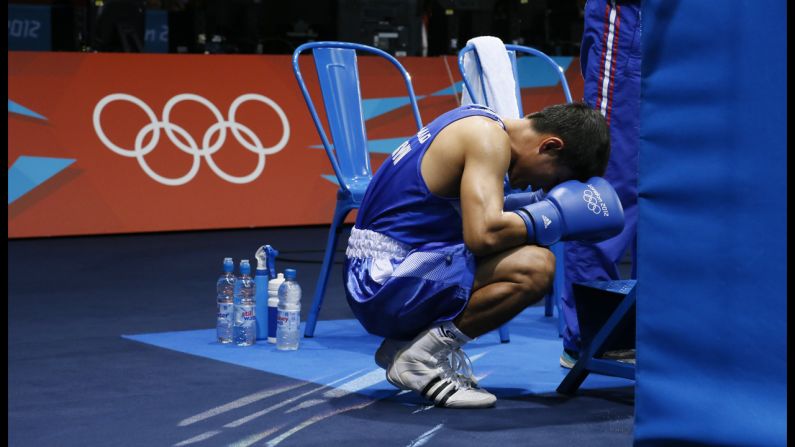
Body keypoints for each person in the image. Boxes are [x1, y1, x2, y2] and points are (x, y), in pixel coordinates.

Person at [343, 102, 624, 408]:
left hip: (387, 270)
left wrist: (538, 206)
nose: (541, 186)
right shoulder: (487, 138)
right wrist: (555, 215)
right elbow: (483, 235)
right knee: (534, 266)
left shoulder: (480, 121)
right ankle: (420, 360)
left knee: (523, 250)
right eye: (554, 179)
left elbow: (452, 215)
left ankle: (407, 345)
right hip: (382, 280)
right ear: (550, 146)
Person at [559, 0, 641, 369]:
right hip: (633, 20)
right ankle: (590, 334)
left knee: (676, 195)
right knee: (609, 188)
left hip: (696, 27)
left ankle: (658, 329)